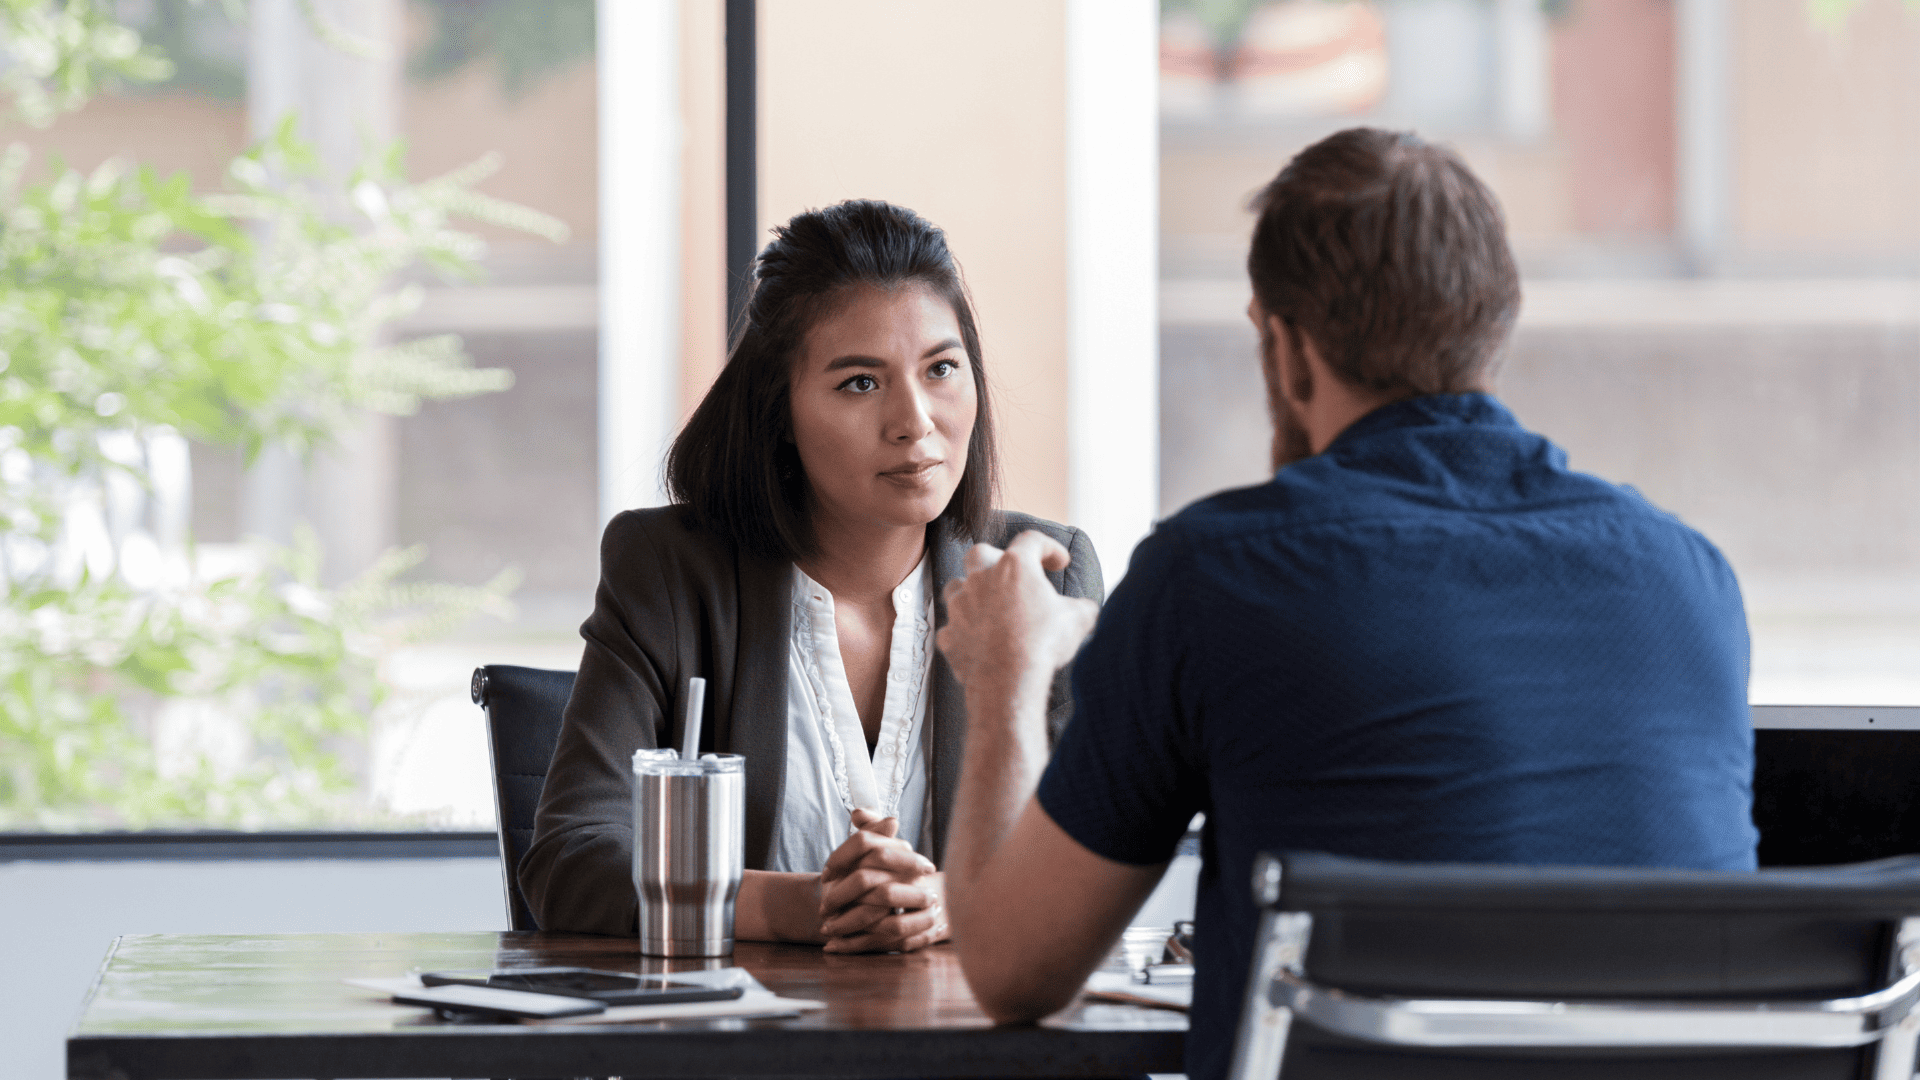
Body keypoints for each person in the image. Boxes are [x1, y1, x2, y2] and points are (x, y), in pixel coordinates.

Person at [935, 128, 1756, 1080]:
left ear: (1285, 348)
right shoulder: (1692, 582)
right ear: (1493, 331)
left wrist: (1006, 672)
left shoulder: (1215, 579)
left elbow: (1010, 969)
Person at [522, 199, 1103, 951]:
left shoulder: (1041, 575)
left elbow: (1096, 858)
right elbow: (570, 861)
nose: (916, 421)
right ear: (779, 412)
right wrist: (807, 906)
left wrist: (957, 902)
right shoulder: (667, 570)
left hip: (979, 1044)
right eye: (861, 383)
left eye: (942, 369)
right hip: (743, 1050)